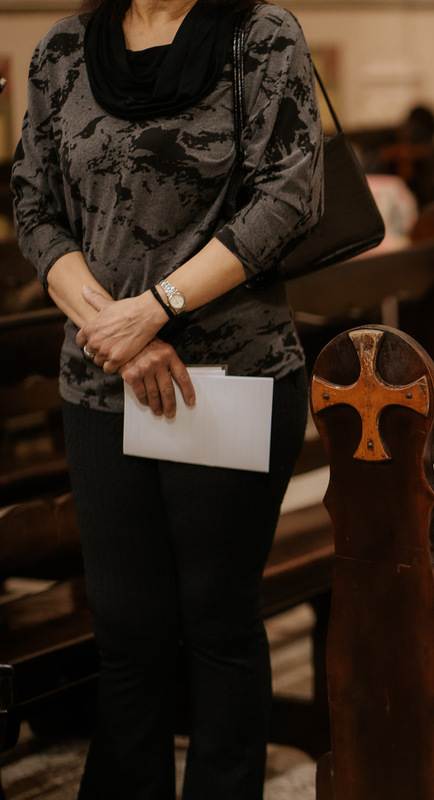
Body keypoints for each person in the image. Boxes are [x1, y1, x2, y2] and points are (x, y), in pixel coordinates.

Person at [11, 1, 323, 796]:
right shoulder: (63, 48)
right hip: (101, 378)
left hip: (226, 373)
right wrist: (114, 328)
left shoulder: (259, 33)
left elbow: (289, 195)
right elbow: (33, 203)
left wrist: (158, 309)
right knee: (127, 632)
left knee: (216, 623)